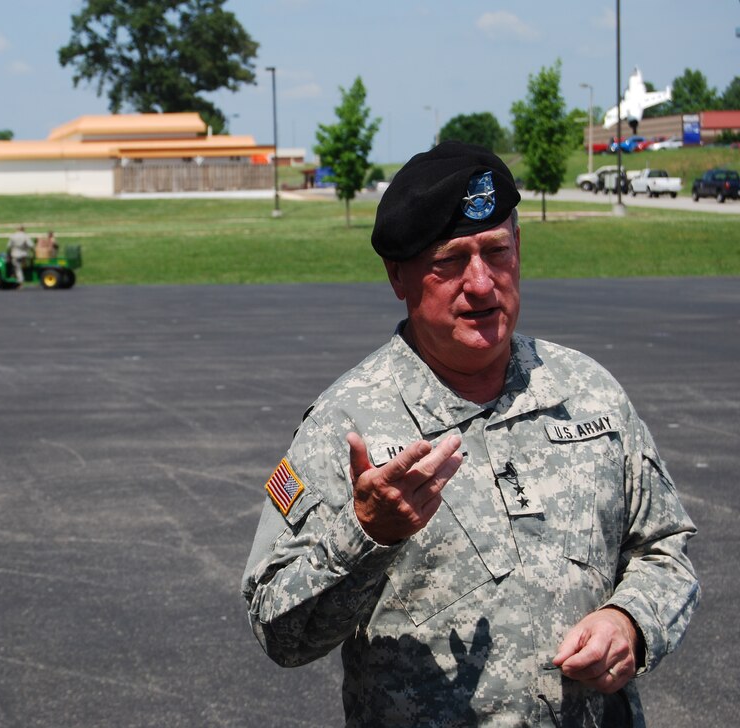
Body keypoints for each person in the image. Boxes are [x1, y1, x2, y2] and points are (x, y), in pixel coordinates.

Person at [241, 141, 699, 727]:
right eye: (450, 260)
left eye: (496, 251)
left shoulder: (588, 391)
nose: (481, 283)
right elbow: (278, 631)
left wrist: (630, 623)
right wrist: (363, 537)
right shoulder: (346, 424)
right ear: (397, 275)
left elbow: (665, 549)